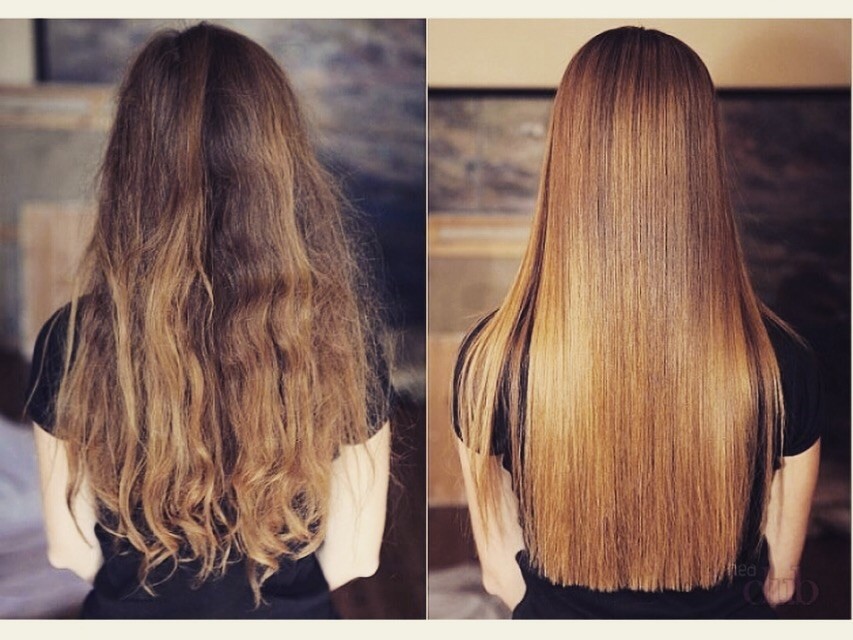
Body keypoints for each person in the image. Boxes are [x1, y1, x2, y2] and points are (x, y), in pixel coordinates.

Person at [452, 26, 823, 619]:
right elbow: (779, 581)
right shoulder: (781, 362)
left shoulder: (490, 361)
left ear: (567, 152)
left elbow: (498, 572)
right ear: (702, 156)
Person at [25, 22, 392, 619]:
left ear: (131, 166)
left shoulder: (70, 339)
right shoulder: (342, 341)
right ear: (279, 165)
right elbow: (355, 557)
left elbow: (69, 549)